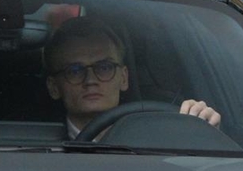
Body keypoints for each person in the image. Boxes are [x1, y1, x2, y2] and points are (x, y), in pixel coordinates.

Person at [42, 17, 221, 136]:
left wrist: (204, 131)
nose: (90, 80)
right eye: (75, 70)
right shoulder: (31, 148)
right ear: (54, 87)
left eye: (104, 67)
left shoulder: (162, 136)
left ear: (124, 78)